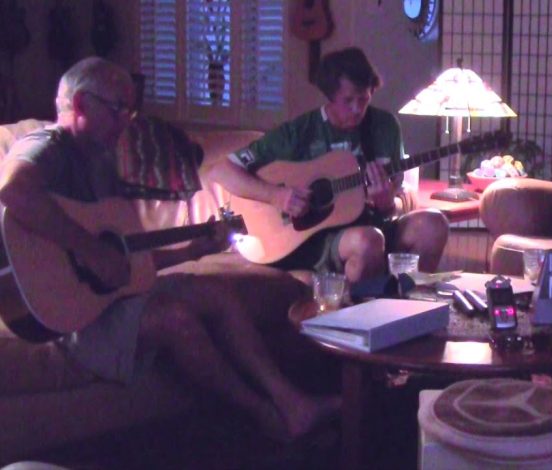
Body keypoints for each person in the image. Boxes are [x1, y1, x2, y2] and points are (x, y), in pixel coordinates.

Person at [0, 57, 338, 440]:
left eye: (131, 111)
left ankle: (292, 404)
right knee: (175, 318)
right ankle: (259, 411)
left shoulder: (102, 161)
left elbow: (126, 261)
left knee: (214, 293)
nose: (126, 121)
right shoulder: (46, 146)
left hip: (107, 301)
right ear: (79, 104)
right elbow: (14, 192)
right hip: (66, 317)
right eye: (118, 109)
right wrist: (89, 250)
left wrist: (192, 251)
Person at [211, 47, 449, 282]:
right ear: (330, 95)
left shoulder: (385, 127)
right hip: (319, 238)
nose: (357, 109)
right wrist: (276, 196)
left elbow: (397, 200)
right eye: (348, 100)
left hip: (374, 224)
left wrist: (387, 204)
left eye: (363, 99)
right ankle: (361, 307)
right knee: (368, 240)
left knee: (434, 223)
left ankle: (411, 300)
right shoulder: (300, 132)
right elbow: (222, 170)